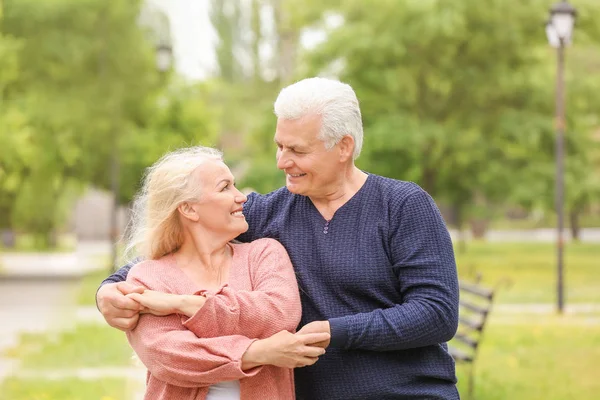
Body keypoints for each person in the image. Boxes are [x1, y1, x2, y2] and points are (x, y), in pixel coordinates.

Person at [97, 77, 460, 399]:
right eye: (280, 146)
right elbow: (179, 249)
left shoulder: (403, 205)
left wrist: (336, 331)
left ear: (344, 147)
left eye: (297, 150)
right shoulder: (269, 213)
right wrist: (110, 289)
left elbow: (437, 313)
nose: (281, 162)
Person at [115, 146, 329, 400]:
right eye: (224, 187)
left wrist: (184, 304)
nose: (241, 197)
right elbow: (167, 356)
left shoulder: (264, 254)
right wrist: (259, 351)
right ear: (189, 209)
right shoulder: (148, 277)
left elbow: (280, 315)